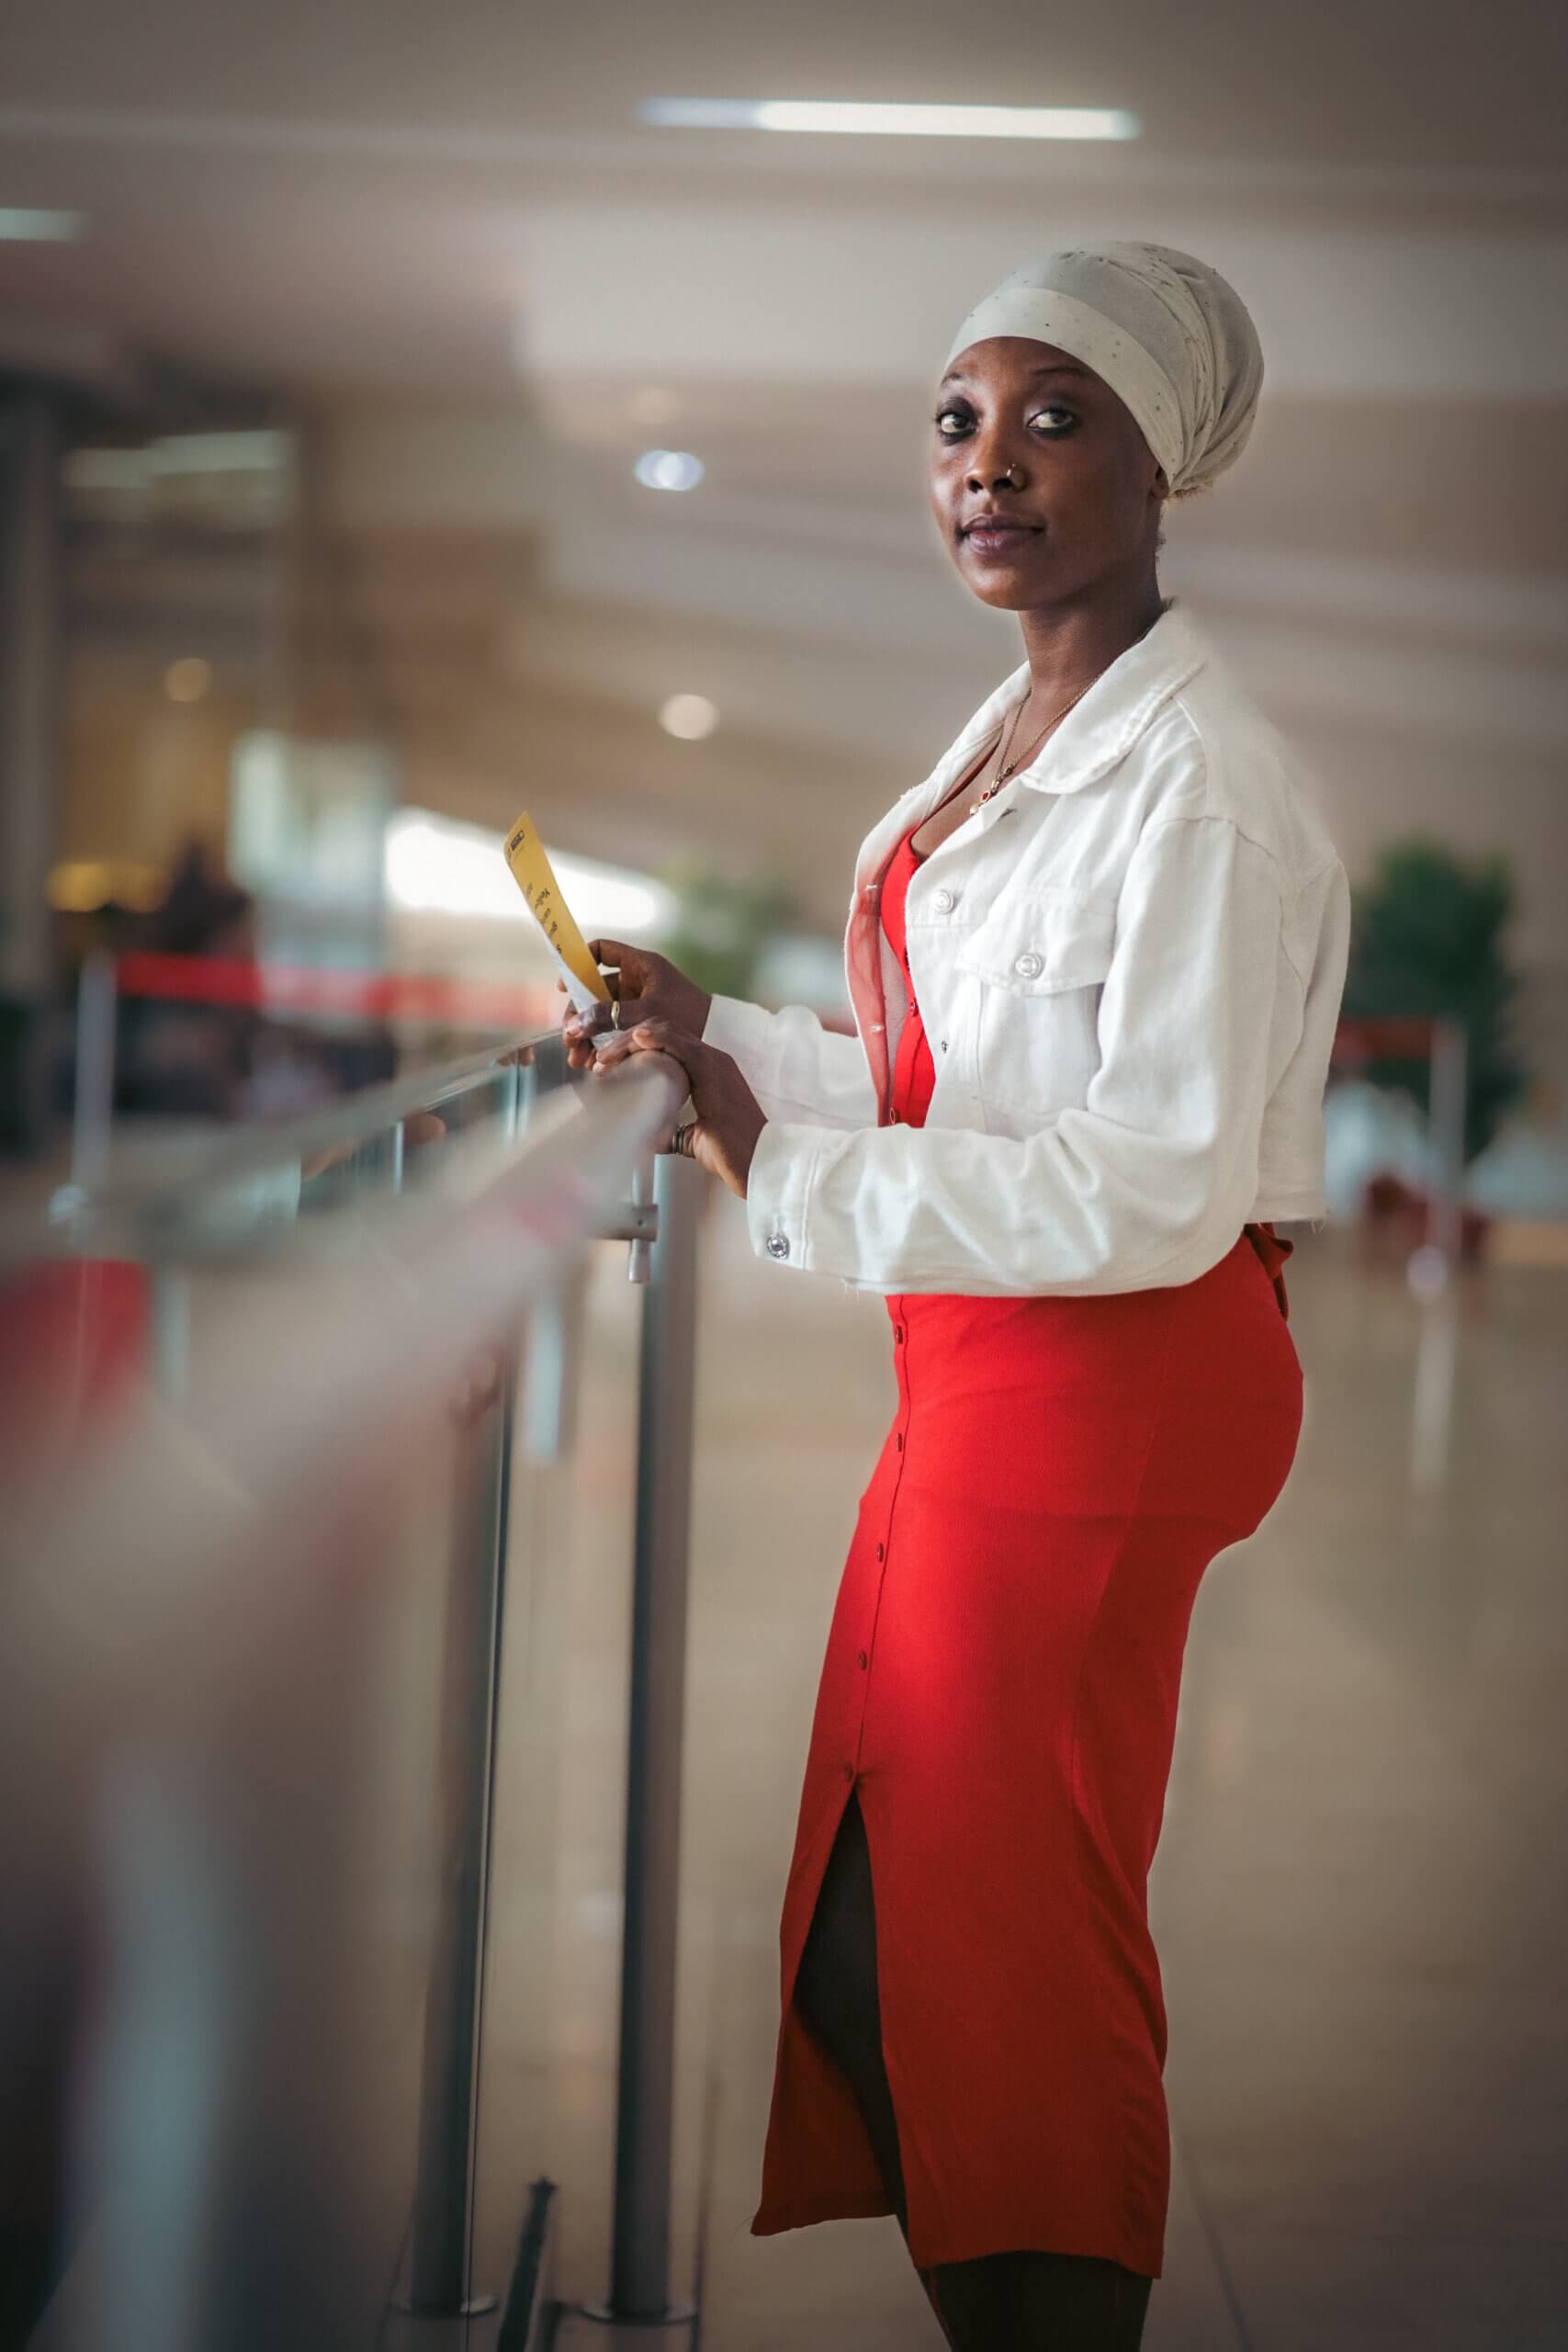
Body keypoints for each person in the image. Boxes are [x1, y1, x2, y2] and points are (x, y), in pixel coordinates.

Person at [570, 243, 1350, 2352]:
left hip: (1108, 1376)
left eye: (1050, 417)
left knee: (998, 1957)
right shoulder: (1021, 730)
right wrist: (721, 1034)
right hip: (998, 1367)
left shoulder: (1196, 785)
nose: (985, 464)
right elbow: (969, 1077)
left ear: (1159, 464)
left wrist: (774, 1160)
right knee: (886, 1936)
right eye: (954, 422)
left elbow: (1153, 1180)